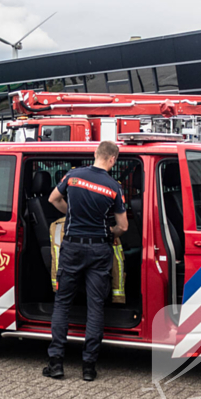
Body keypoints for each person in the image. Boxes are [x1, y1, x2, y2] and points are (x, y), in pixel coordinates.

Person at [43, 141, 128, 382]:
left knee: (62, 304)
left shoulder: (73, 176)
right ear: (113, 160)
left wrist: (72, 213)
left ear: (95, 154)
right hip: (99, 249)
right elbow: (123, 226)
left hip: (71, 248)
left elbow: (52, 199)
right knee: (95, 307)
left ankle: (56, 363)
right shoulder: (114, 187)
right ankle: (89, 367)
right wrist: (109, 231)